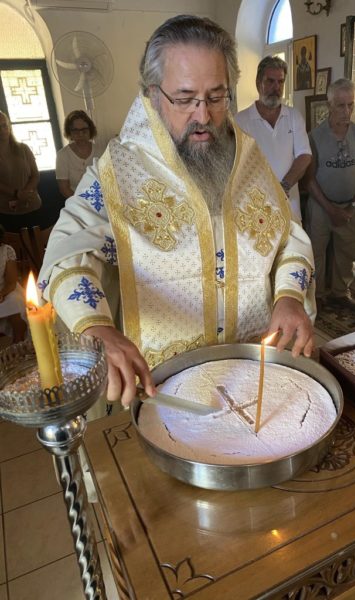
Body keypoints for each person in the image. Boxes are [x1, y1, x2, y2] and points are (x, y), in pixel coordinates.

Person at [39, 15, 316, 408]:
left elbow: (290, 237)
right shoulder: (118, 171)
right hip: (162, 387)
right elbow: (68, 254)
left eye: (216, 97)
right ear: (154, 94)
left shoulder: (249, 161)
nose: (203, 116)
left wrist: (289, 296)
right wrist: (97, 327)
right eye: (185, 99)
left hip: (251, 370)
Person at [305, 78, 355, 312]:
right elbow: (309, 179)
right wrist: (330, 209)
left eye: (350, 104)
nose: (347, 111)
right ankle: (317, 295)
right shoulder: (315, 136)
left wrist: (352, 207)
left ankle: (341, 292)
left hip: (351, 207)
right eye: (341, 105)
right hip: (321, 206)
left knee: (348, 252)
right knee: (316, 252)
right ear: (329, 105)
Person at [235, 55, 311, 223]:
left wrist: (284, 186)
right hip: (256, 210)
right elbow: (238, 165)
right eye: (270, 81)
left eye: (280, 82)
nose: (276, 87)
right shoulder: (241, 121)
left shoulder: (294, 116)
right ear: (258, 83)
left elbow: (304, 155)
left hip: (290, 209)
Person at [0, 111, 41, 233]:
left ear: (9, 126)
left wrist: (25, 192)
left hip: (32, 205)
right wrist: (16, 193)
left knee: (38, 241)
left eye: (4, 125)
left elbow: (35, 175)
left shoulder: (23, 148)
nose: (2, 130)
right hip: (6, 210)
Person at [56, 110, 101, 199]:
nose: (80, 134)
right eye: (75, 131)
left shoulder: (101, 151)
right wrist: (81, 203)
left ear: (90, 130)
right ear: (70, 133)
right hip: (75, 201)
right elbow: (64, 189)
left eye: (84, 130)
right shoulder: (62, 155)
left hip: (100, 199)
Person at [0, 224, 27, 342]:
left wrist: (2, 293)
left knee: (16, 301)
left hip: (6, 288)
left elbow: (11, 281)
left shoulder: (6, 250)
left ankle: (18, 342)